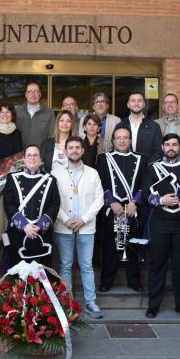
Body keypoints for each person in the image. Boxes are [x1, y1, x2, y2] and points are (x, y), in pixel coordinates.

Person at [142, 133, 180, 319]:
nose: (171, 148)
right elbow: (145, 192)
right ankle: (153, 305)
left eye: (174, 144)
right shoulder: (153, 168)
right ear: (162, 147)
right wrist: (160, 199)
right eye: (167, 144)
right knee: (157, 265)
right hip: (160, 221)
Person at [53, 136, 104, 319]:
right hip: (63, 226)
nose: (74, 150)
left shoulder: (92, 173)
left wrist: (84, 219)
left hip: (86, 227)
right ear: (65, 151)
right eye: (71, 147)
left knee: (87, 266)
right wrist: (66, 219)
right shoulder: (56, 173)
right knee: (65, 265)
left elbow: (99, 199)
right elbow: (53, 201)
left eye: (77, 148)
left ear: (82, 151)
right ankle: (66, 303)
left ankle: (91, 302)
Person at [96, 123, 146, 292]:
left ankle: (134, 281)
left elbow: (144, 184)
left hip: (132, 209)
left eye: (125, 138)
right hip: (112, 209)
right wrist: (111, 202)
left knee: (132, 246)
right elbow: (100, 183)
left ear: (130, 140)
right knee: (109, 247)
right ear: (113, 141)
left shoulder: (141, 158)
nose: (122, 141)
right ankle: (106, 281)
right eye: (119, 138)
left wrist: (135, 202)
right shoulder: (103, 158)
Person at [3, 145, 60, 267]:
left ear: (40, 159)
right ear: (23, 159)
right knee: (18, 272)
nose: (32, 158)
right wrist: (24, 225)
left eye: (35, 155)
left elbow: (55, 204)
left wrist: (39, 226)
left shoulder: (50, 180)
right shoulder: (12, 178)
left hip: (42, 233)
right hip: (19, 233)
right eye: (29, 155)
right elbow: (8, 203)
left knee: (42, 271)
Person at [121, 92, 162, 161]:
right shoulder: (121, 125)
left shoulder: (154, 126)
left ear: (144, 104)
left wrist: (147, 166)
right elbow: (116, 149)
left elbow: (158, 152)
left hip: (147, 169)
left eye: (139, 101)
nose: (136, 104)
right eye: (133, 101)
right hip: (124, 169)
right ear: (128, 105)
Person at [14, 81, 55, 147]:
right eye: (29, 91)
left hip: (41, 153)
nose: (33, 94)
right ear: (26, 95)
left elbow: (51, 135)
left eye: (36, 91)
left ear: (40, 94)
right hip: (20, 153)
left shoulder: (49, 112)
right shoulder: (16, 111)